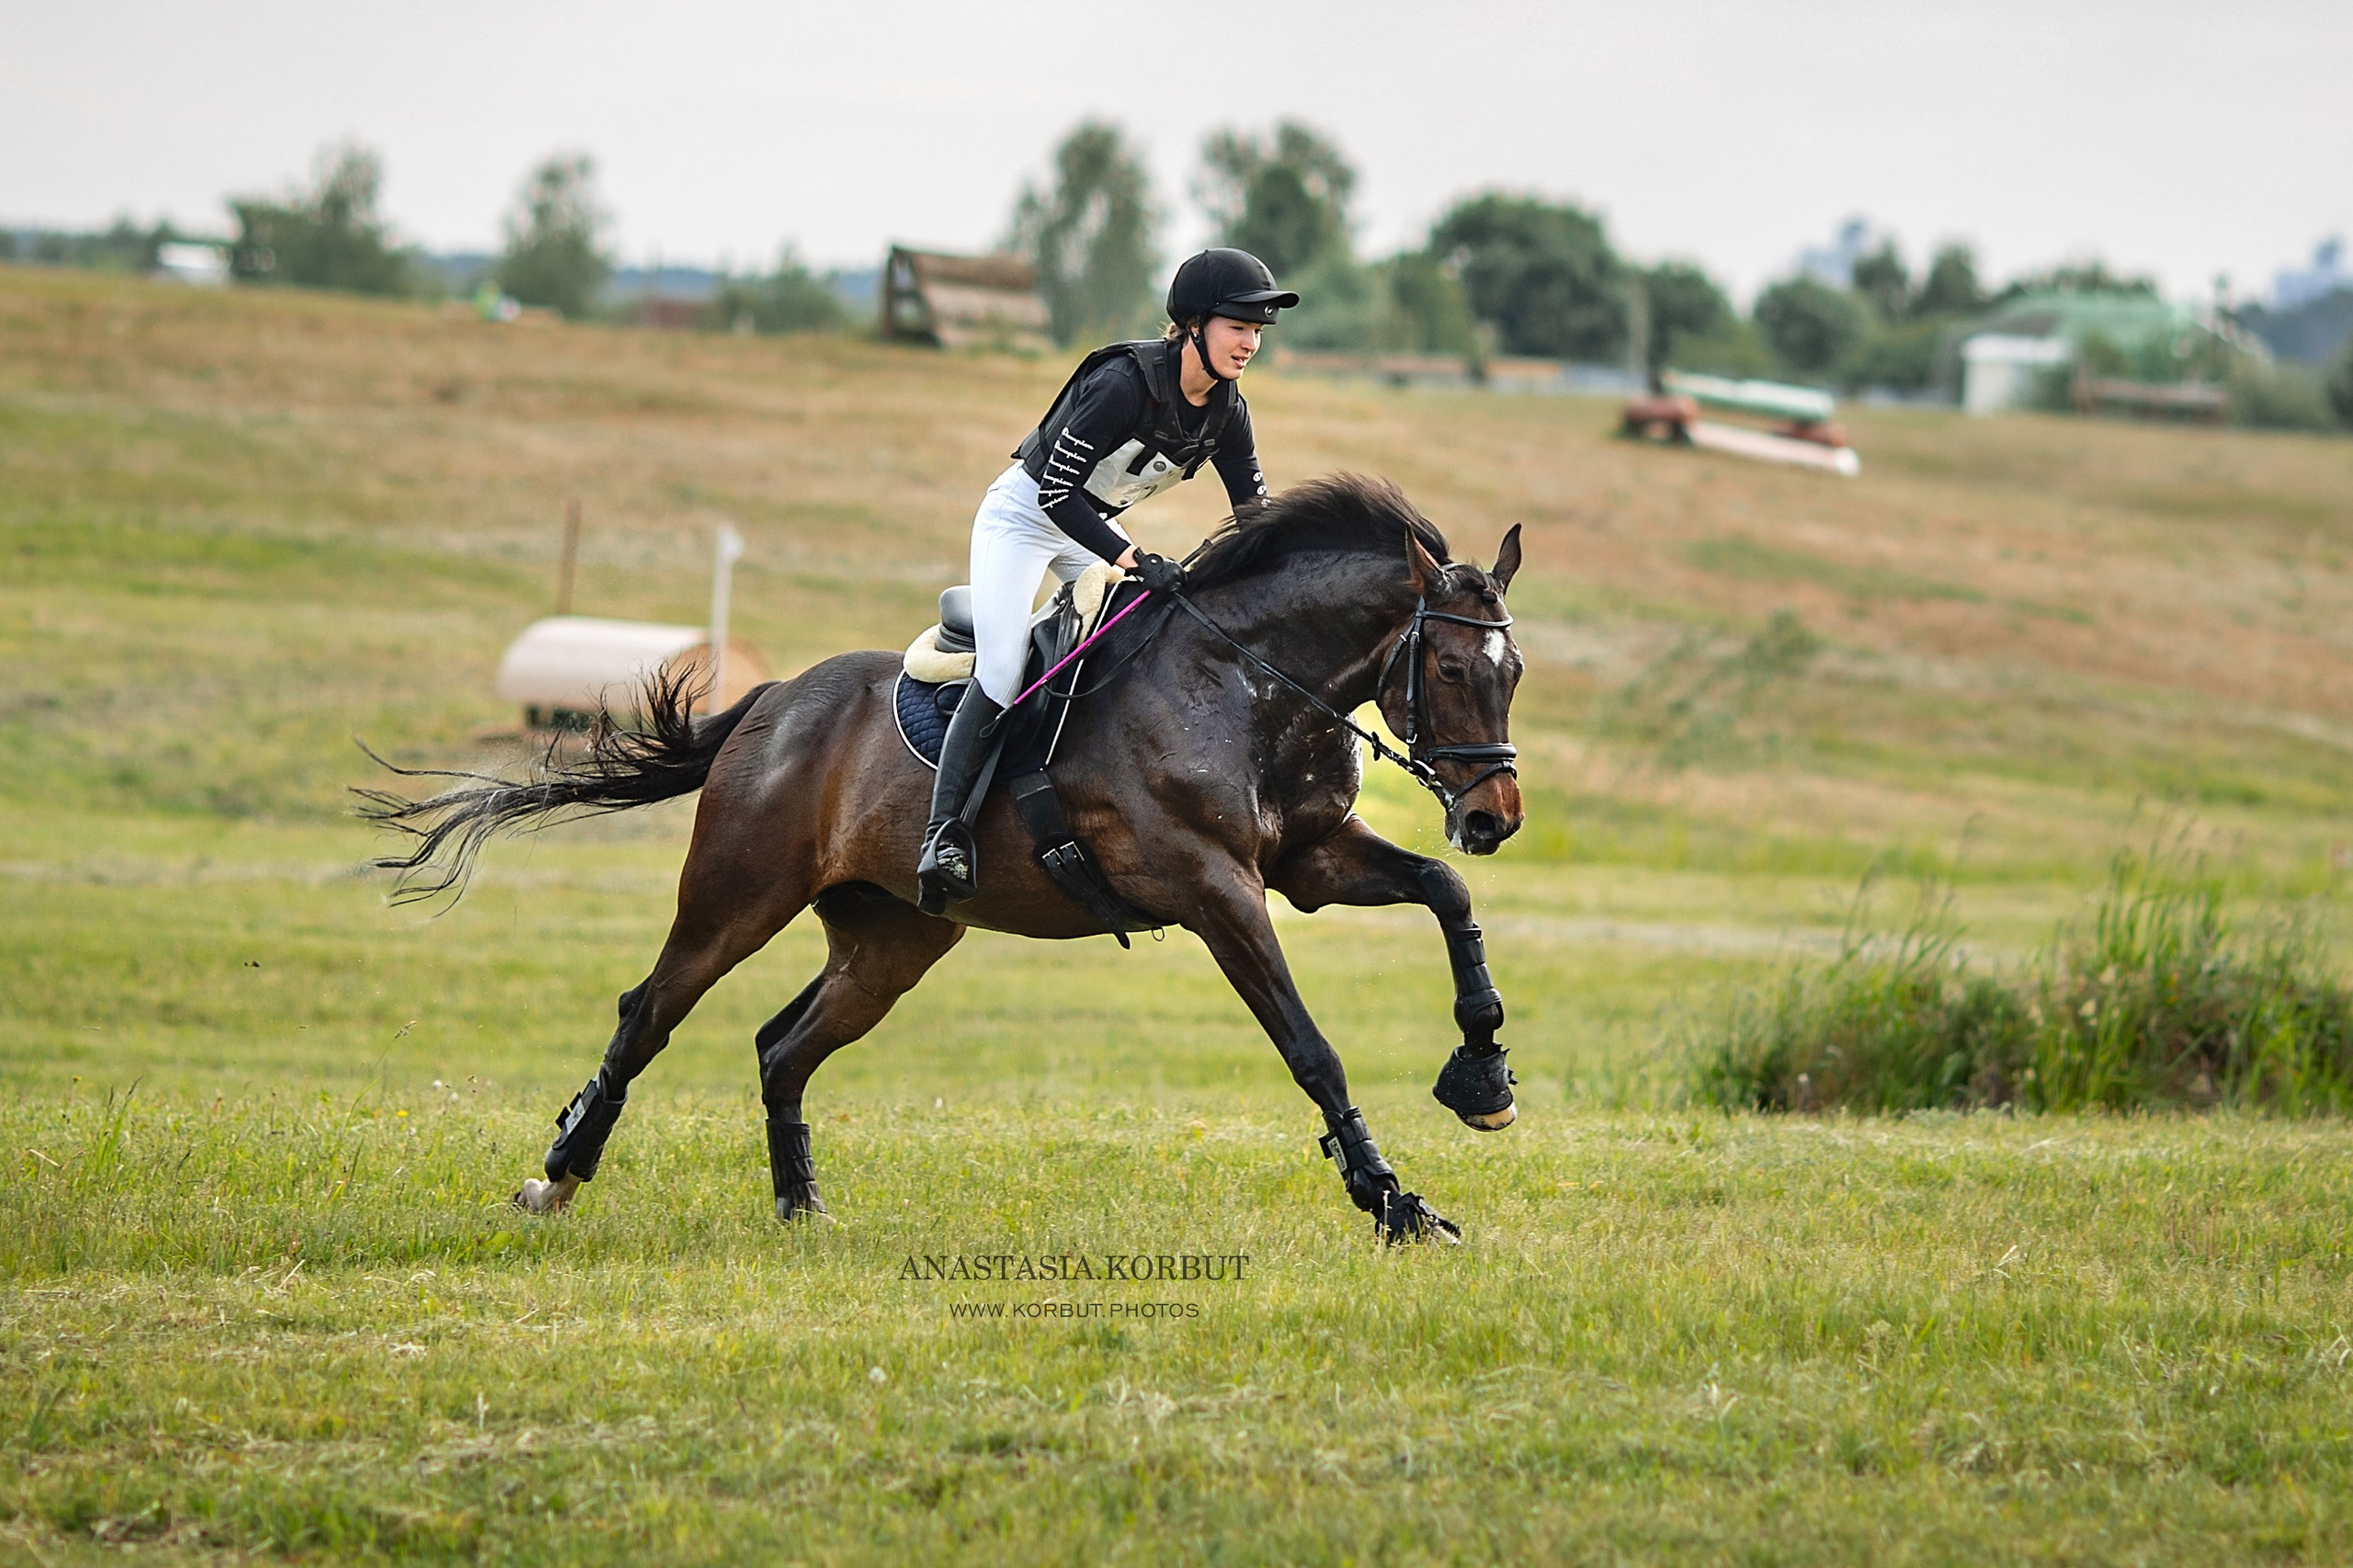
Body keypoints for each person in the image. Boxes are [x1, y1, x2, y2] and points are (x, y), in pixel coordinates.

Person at [915, 247, 1297, 913]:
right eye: (1239, 326)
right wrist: (1129, 558)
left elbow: (1255, 520)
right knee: (1004, 669)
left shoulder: (1228, 415)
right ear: (1196, 324)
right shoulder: (1124, 383)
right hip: (1024, 515)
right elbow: (1057, 494)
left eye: (1258, 330)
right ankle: (942, 831)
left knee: (1152, 629)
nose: (1250, 343)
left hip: (1086, 525)